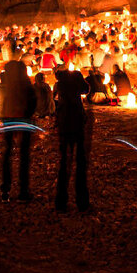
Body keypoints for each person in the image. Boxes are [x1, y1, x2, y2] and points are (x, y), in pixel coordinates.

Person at [0, 60, 37, 202]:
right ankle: (23, 191)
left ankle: (5, 189)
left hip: (9, 120)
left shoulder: (8, 86)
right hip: (23, 120)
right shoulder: (25, 85)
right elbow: (33, 102)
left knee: (7, 154)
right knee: (23, 156)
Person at [53, 65, 91, 213]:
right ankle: (82, 201)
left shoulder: (60, 82)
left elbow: (54, 98)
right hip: (77, 120)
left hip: (64, 122)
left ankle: (60, 201)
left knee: (64, 161)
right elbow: (86, 89)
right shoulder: (77, 78)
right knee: (80, 161)